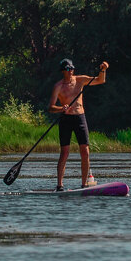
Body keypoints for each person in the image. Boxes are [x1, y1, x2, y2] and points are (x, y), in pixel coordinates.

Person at [47, 58, 108, 190]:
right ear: (63, 71)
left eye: (72, 69)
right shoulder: (58, 86)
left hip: (80, 118)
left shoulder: (80, 80)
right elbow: (51, 107)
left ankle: (84, 184)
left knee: (85, 151)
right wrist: (61, 108)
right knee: (64, 153)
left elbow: (100, 80)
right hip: (66, 120)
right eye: (68, 69)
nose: (70, 71)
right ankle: (59, 185)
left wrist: (103, 70)